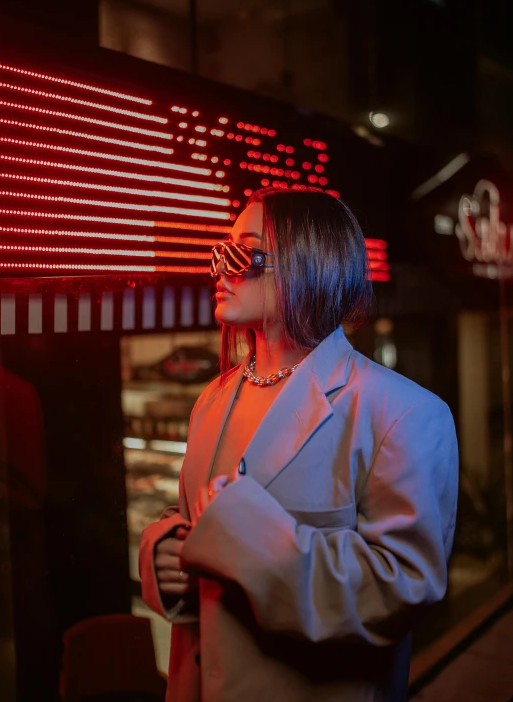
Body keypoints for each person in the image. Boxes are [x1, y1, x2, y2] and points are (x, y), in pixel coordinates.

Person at [139, 186, 459, 702]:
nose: (221, 269)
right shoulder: (212, 400)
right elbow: (193, 518)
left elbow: (404, 588)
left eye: (243, 253)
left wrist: (253, 543)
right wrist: (164, 553)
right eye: (219, 252)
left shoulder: (401, 413)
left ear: (310, 263)